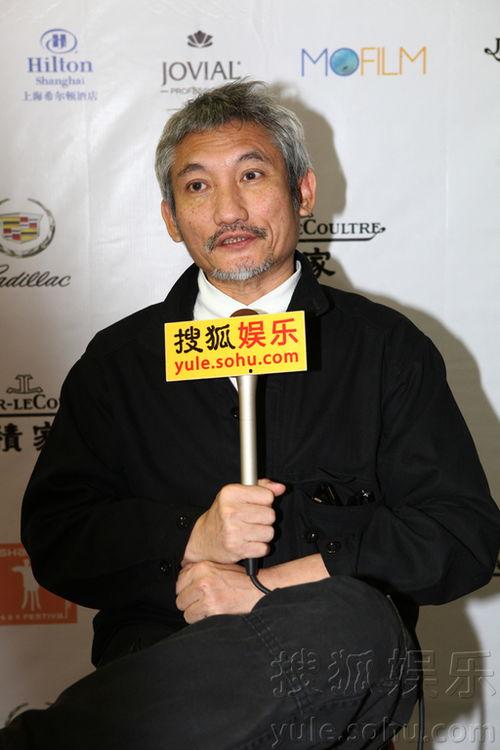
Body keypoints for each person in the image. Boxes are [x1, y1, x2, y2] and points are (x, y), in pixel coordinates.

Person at [2, 81, 499, 749]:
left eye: (252, 175)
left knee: (354, 620)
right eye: (197, 186)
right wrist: (193, 537)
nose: (228, 209)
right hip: (170, 685)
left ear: (303, 192)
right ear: (171, 218)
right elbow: (59, 540)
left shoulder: (385, 350)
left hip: (334, 688)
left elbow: (462, 537)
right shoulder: (118, 364)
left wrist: (273, 590)